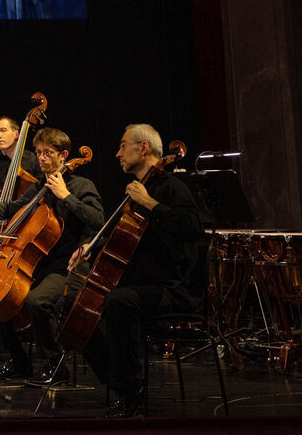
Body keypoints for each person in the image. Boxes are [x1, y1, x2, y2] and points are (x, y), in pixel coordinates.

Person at [69, 123, 203, 417]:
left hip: (171, 287)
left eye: (123, 145)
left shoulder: (170, 187)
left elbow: (192, 227)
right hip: (139, 283)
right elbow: (122, 234)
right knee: (72, 303)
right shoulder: (138, 189)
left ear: (143, 148)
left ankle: (131, 392)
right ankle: (119, 382)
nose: (117, 153)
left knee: (119, 302)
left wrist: (149, 203)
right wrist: (90, 245)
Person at [0, 127, 103, 385]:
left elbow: (98, 221)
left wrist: (66, 196)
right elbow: (12, 207)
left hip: (67, 267)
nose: (41, 158)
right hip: (35, 265)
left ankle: (55, 363)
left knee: (37, 301)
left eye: (48, 153)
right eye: (38, 153)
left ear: (64, 155)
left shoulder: (82, 186)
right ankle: (19, 361)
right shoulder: (40, 186)